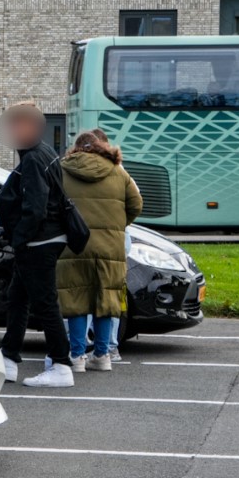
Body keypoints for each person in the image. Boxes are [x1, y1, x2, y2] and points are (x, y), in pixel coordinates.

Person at [0, 102, 75, 387]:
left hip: (39, 241)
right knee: (19, 297)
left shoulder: (32, 159)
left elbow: (36, 208)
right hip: (44, 239)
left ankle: (62, 365)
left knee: (44, 303)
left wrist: (19, 239)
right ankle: (8, 357)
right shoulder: (43, 152)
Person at [58, 131, 142, 372]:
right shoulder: (118, 171)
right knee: (105, 299)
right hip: (110, 246)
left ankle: (76, 356)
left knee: (76, 299)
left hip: (74, 244)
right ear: (100, 147)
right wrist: (116, 224)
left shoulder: (63, 170)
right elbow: (136, 204)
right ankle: (103, 355)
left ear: (76, 148)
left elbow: (51, 204)